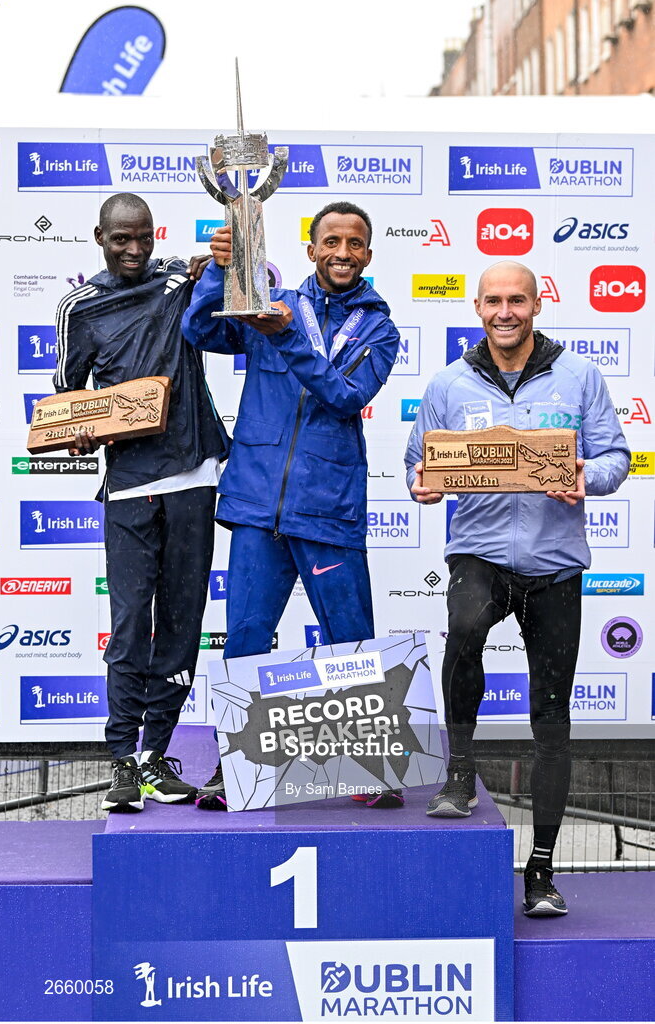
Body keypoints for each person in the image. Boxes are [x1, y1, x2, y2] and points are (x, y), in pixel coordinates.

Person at [405, 261, 630, 915]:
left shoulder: (579, 375)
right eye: (493, 301)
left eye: (517, 300)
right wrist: (422, 484)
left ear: (535, 305)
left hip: (554, 564)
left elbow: (614, 455)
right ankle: (458, 771)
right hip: (478, 555)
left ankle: (540, 873)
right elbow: (418, 462)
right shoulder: (447, 382)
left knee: (551, 721)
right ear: (476, 307)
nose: (505, 311)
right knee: (466, 628)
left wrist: (587, 477)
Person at [181, 201, 401, 809]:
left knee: (350, 640)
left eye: (354, 244)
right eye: (331, 240)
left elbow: (343, 394)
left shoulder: (379, 328)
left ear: (368, 255)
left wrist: (289, 337)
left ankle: (371, 768)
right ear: (311, 249)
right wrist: (218, 273)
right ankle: (238, 768)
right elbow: (200, 332)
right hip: (256, 501)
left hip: (328, 505)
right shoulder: (269, 300)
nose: (342, 252)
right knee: (247, 636)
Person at [54, 193, 230, 813]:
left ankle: (156, 756)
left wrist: (228, 256)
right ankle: (121, 763)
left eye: (141, 239)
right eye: (119, 239)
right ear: (99, 236)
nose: (132, 251)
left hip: (193, 473)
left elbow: (249, 287)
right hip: (128, 484)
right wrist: (78, 431)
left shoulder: (181, 279)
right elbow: (68, 401)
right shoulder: (79, 307)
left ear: (154, 236)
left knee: (182, 627)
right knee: (130, 628)